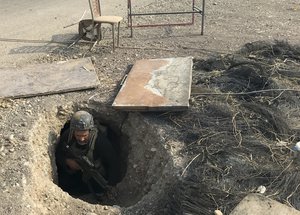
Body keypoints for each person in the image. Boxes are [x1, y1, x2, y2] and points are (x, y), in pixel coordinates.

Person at [55, 110, 120, 197]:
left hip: (93, 176)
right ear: (73, 131)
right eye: (78, 135)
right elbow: (57, 153)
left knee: (98, 188)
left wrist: (111, 184)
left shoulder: (99, 141)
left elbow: (114, 162)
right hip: (74, 173)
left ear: (90, 130)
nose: (81, 139)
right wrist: (67, 161)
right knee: (64, 182)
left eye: (84, 136)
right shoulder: (68, 136)